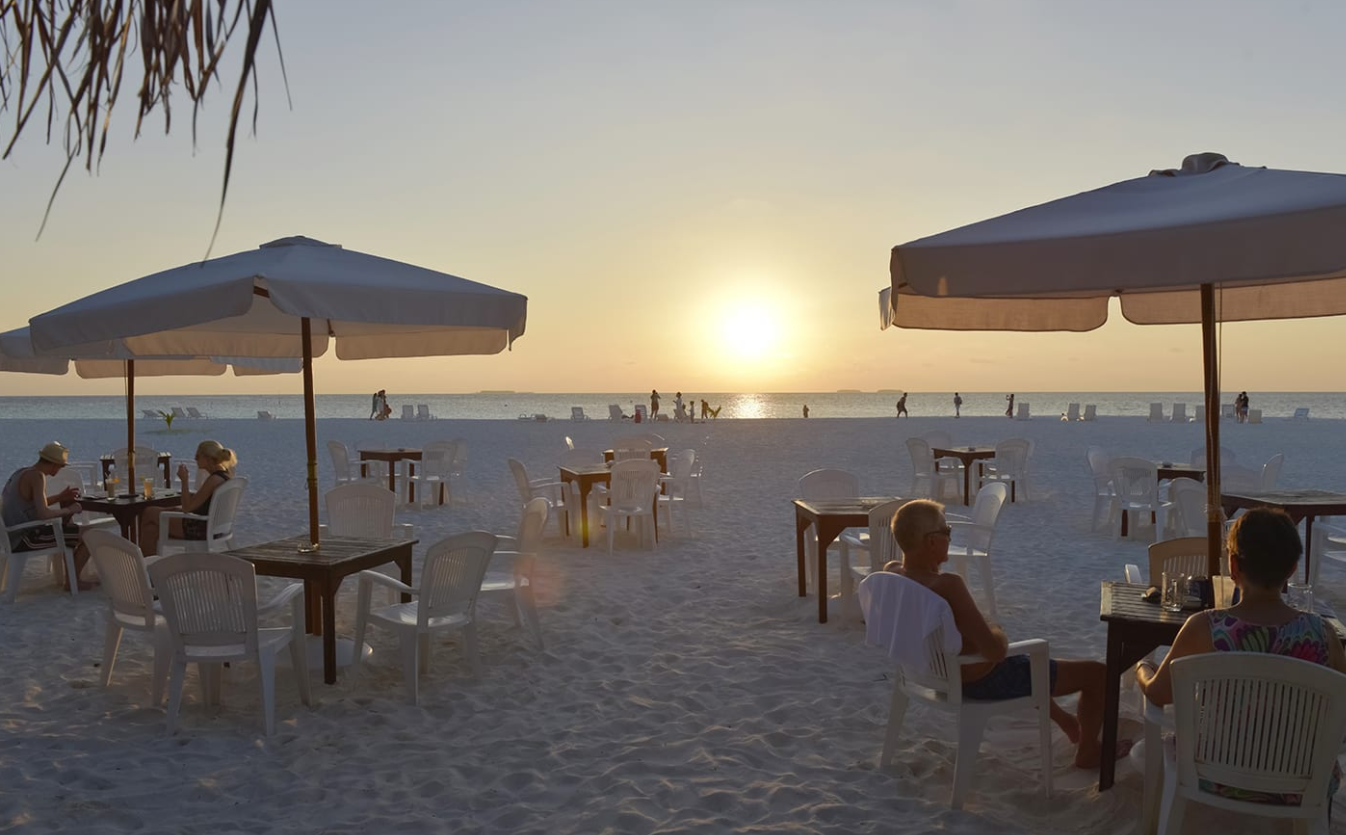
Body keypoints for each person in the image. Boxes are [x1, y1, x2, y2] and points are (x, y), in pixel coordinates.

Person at [1137, 508, 1345, 805]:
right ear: (1291, 570)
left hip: (1215, 775)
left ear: (1233, 566)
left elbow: (1158, 694)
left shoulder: (1204, 628)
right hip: (1301, 782)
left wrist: (1143, 670)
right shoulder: (1322, 634)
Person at [884, 499, 1112, 768]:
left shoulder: (892, 573)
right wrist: (997, 629)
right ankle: (1088, 751)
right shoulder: (948, 585)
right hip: (979, 680)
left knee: (1025, 664)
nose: (949, 538)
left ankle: (1066, 721)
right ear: (932, 542)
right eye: (947, 532)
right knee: (1098, 675)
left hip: (926, 673)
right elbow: (995, 651)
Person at [1, 442, 91, 588]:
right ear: (54, 464)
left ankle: (72, 579)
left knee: (69, 529)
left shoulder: (22, 472)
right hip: (25, 538)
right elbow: (44, 514)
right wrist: (70, 510)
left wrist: (59, 497)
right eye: (61, 466)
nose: (61, 469)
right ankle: (73, 582)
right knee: (89, 534)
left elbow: (34, 505)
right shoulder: (37, 477)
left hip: (12, 536)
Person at [139, 440, 238, 556]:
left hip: (199, 528)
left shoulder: (214, 480)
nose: (195, 459)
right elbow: (201, 502)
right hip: (214, 526)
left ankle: (142, 565)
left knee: (148, 512)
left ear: (208, 458)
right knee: (151, 529)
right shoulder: (225, 475)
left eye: (198, 456)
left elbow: (187, 508)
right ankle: (149, 567)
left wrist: (184, 481)